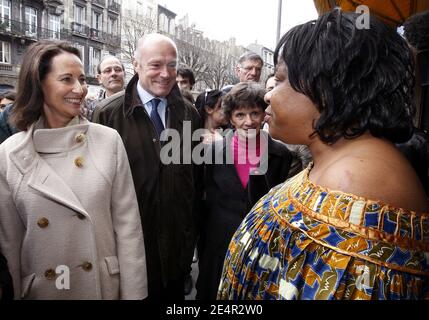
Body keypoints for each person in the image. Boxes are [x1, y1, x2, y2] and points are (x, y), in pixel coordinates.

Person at [218, 10, 429, 300]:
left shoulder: (356, 180)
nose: (268, 95)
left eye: (279, 80)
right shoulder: (343, 163)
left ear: (327, 89)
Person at [0, 40, 147, 300]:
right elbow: (11, 242)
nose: (80, 89)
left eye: (81, 78)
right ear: (39, 84)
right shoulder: (9, 154)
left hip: (100, 288)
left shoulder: (108, 141)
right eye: (66, 79)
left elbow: (128, 229)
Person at [93, 33, 202, 300]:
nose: (165, 74)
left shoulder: (189, 114)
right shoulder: (107, 114)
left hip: (176, 254)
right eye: (156, 65)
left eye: (172, 65)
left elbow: (195, 182)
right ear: (136, 64)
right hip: (131, 253)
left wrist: (189, 239)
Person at [196, 82, 292, 300]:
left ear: (263, 115)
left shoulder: (281, 155)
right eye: (240, 115)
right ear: (230, 118)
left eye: (255, 113)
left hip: (263, 249)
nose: (249, 122)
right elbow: (203, 202)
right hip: (218, 245)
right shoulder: (211, 152)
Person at [263, 73, 312, 177]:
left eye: (278, 85)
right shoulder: (260, 125)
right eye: (270, 89)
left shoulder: (300, 137)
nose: (269, 96)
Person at [82, 55, 125, 121]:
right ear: (99, 78)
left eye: (118, 70)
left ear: (124, 74)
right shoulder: (91, 109)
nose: (113, 73)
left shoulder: (138, 102)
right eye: (108, 71)